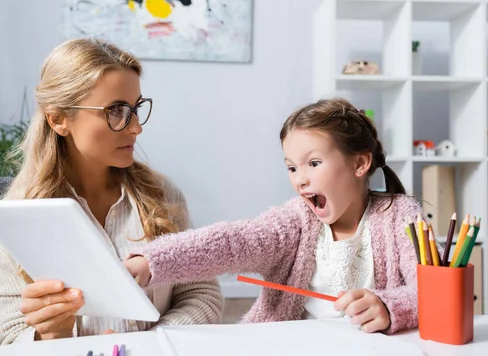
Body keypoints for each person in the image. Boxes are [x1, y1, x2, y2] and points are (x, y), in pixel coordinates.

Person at [0, 38, 224, 345]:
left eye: (135, 109)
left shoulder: (161, 196)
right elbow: (9, 339)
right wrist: (48, 334)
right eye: (116, 111)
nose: (135, 127)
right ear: (58, 119)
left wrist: (146, 345)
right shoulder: (12, 221)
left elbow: (202, 295)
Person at [124, 97, 426, 335]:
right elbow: (232, 242)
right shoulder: (295, 220)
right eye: (292, 167)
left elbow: (433, 292)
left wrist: (389, 307)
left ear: (359, 164)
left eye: (314, 163)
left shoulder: (400, 216)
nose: (300, 179)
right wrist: (153, 261)